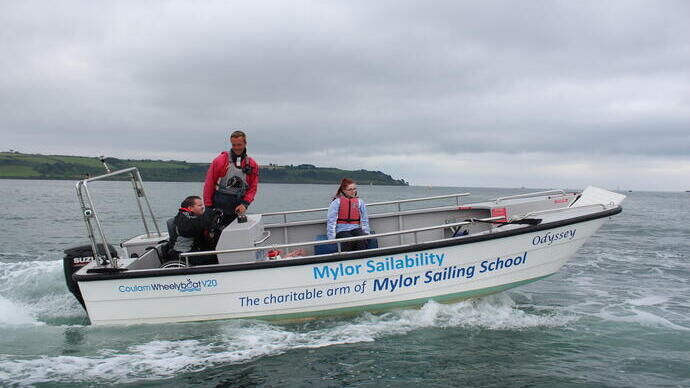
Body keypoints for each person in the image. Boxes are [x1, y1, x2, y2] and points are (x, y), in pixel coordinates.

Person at [203, 130, 259, 225]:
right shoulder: (220, 160)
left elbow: (253, 188)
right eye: (234, 145)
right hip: (218, 206)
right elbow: (209, 183)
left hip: (238, 208)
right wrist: (208, 206)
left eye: (239, 145)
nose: (236, 148)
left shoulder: (252, 164)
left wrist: (245, 204)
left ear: (245, 144)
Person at [168, 196, 218, 266]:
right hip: (183, 254)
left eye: (202, 205)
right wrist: (208, 217)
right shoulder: (183, 218)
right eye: (199, 205)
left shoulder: (193, 216)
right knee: (217, 257)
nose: (203, 207)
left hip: (193, 251)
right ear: (190, 208)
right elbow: (191, 228)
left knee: (215, 252)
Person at [326, 178, 370, 251]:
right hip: (341, 230)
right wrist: (331, 237)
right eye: (350, 189)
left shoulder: (360, 202)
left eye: (354, 189)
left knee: (362, 239)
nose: (353, 191)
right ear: (344, 191)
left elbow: (364, 219)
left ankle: (361, 259)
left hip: (355, 228)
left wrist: (367, 232)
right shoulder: (337, 202)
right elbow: (331, 220)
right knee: (349, 241)